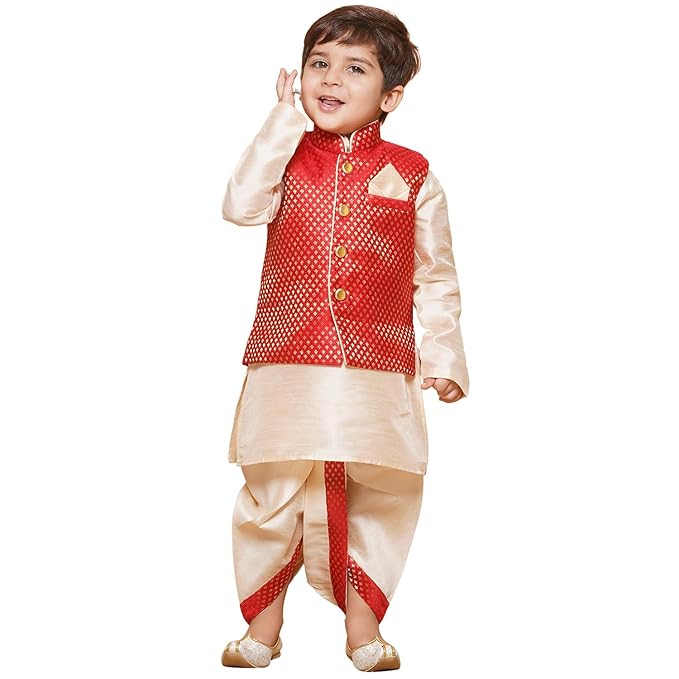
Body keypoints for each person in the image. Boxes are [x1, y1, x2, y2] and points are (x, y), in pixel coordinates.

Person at [219, 4, 469, 671]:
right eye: (318, 63)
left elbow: (435, 275)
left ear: (390, 96)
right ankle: (263, 624)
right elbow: (240, 205)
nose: (330, 79)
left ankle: (364, 627)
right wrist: (281, 121)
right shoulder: (284, 157)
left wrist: (444, 355)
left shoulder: (412, 174)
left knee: (379, 490)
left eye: (355, 68)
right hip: (286, 355)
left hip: (377, 363)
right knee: (272, 488)